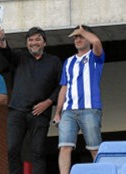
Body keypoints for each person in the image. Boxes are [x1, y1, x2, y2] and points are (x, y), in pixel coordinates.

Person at [0, 25, 62, 174]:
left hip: (40, 113)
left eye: (38, 39)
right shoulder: (21, 57)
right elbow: (7, 52)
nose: (34, 43)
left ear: (44, 42)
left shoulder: (54, 61)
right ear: (27, 43)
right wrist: (1, 39)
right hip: (17, 111)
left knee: (37, 152)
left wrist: (48, 102)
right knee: (12, 149)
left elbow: (62, 86)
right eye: (30, 40)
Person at [53, 25, 105, 174]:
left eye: (81, 36)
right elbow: (64, 87)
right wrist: (58, 112)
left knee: (95, 148)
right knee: (64, 146)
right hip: (69, 110)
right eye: (75, 37)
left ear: (88, 37)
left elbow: (97, 43)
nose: (78, 39)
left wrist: (84, 31)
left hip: (90, 108)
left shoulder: (94, 56)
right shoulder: (68, 62)